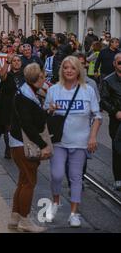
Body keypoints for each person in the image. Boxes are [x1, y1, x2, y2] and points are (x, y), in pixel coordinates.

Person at [45, 56, 101, 227]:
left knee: (76, 177)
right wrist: (50, 109)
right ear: (61, 70)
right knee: (56, 174)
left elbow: (97, 116)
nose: (68, 71)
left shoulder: (88, 90)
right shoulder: (54, 89)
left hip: (80, 141)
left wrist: (92, 137)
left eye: (72, 68)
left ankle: (74, 213)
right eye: (65, 67)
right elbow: (44, 114)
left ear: (79, 71)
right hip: (59, 141)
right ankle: (55, 202)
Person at [8, 63, 50, 232]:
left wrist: (47, 111)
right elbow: (28, 125)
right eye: (42, 76)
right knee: (29, 183)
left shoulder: (27, 92)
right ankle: (25, 220)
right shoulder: (25, 96)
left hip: (17, 142)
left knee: (23, 181)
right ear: (36, 79)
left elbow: (33, 118)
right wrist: (44, 145)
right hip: (22, 144)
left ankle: (15, 217)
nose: (44, 78)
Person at [0, 53, 25, 159]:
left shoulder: (25, 75)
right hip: (8, 106)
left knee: (21, 129)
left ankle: (19, 148)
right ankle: (8, 147)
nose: (16, 62)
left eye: (18, 60)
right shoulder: (8, 74)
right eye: (14, 61)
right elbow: (1, 75)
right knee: (8, 129)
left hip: (21, 106)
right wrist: (7, 61)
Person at [100, 53, 121, 191]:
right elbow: (104, 100)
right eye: (119, 63)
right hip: (117, 121)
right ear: (114, 64)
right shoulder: (108, 80)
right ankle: (118, 178)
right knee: (117, 149)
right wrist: (115, 112)